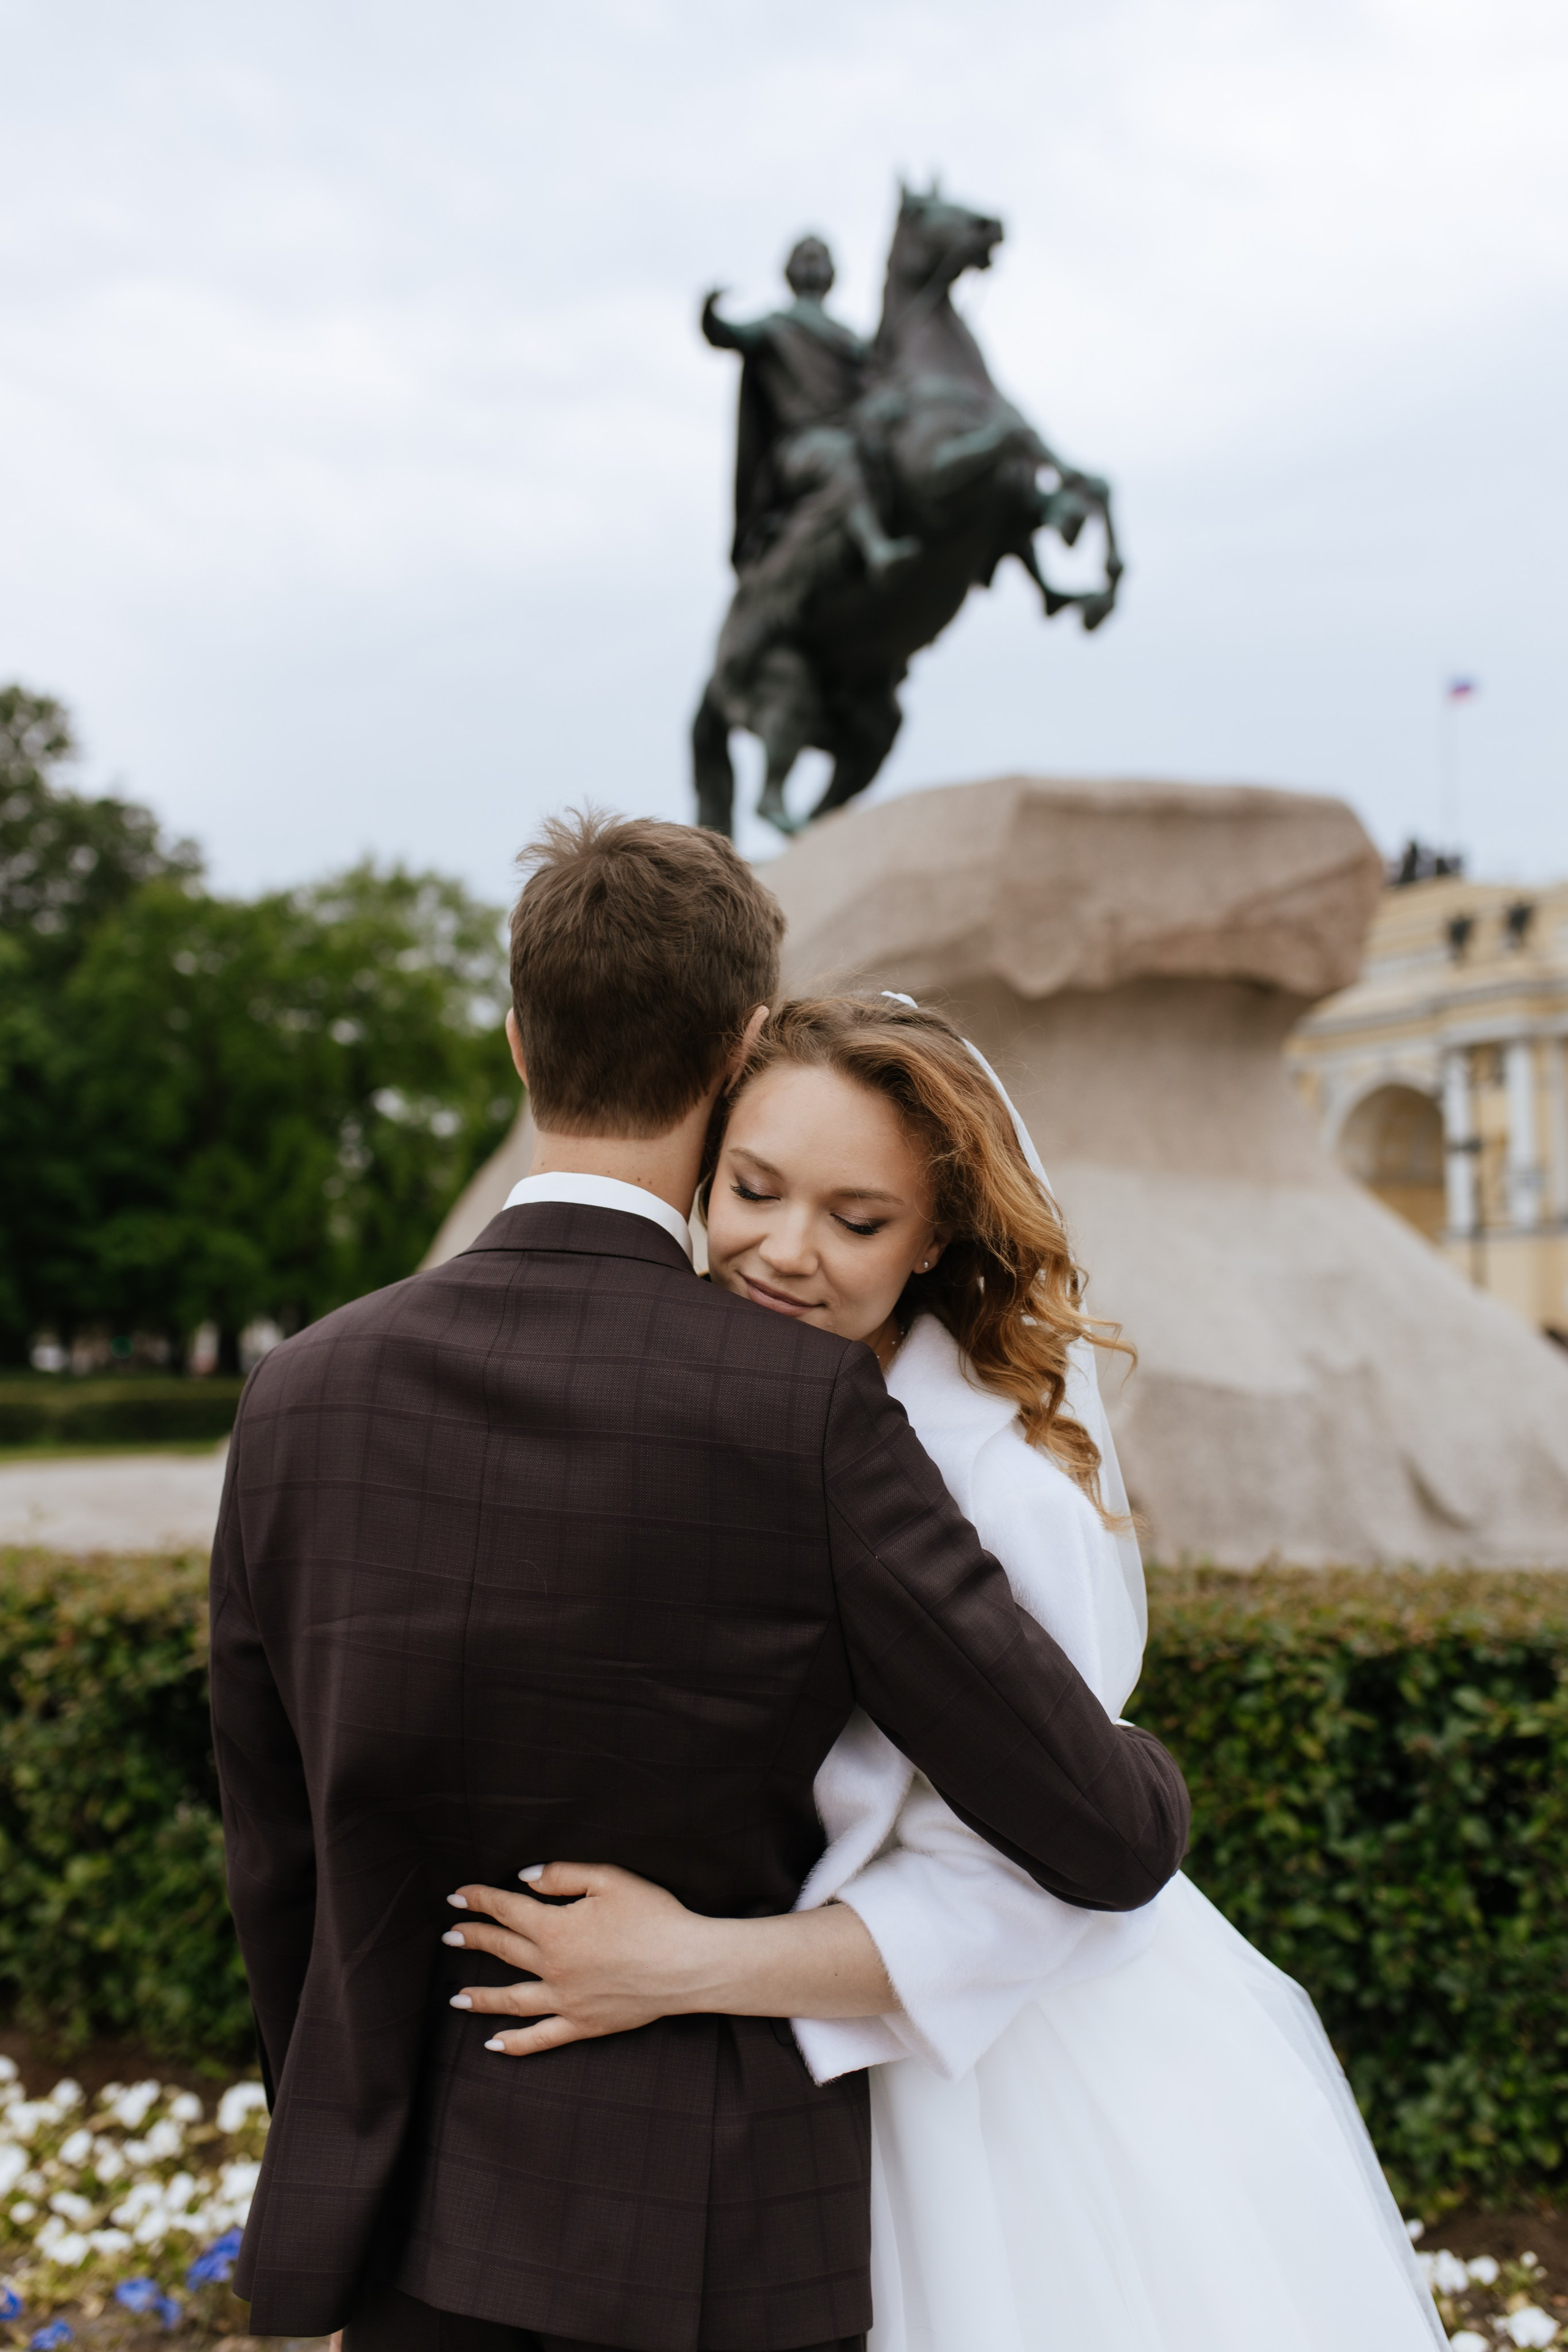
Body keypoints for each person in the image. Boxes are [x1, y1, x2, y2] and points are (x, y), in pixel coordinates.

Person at [209, 815, 1191, 2352]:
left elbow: (279, 1858)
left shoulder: (299, 1392)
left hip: (411, 2230)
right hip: (710, 2245)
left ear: (518, 1040)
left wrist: (347, 2158)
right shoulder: (801, 1411)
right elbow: (1106, 1831)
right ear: (737, 1053)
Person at [448, 995, 1448, 2352]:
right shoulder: (684, 1401)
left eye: (856, 1222)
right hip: (707, 2093)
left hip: (970, 2094)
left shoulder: (990, 1490)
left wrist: (690, 1964)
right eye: (751, 1188)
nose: (781, 1252)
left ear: (934, 1242)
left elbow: (1044, 1878)